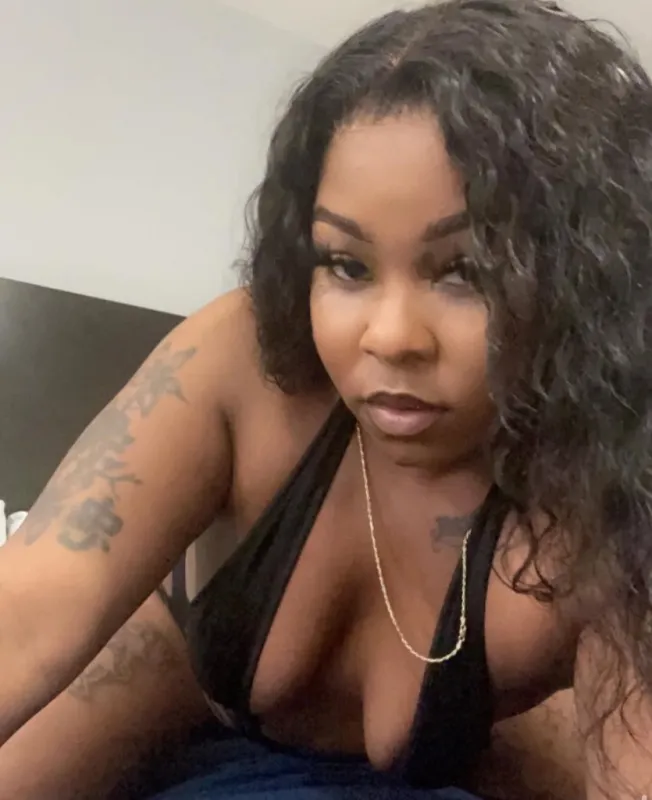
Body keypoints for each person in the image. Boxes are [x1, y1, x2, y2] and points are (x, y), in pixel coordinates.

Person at [1, 0, 651, 797]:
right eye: (347, 265)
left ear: (587, 278)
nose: (391, 336)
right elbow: (31, 614)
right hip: (184, 670)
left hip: (491, 733)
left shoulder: (614, 497)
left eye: (467, 271)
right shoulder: (241, 364)